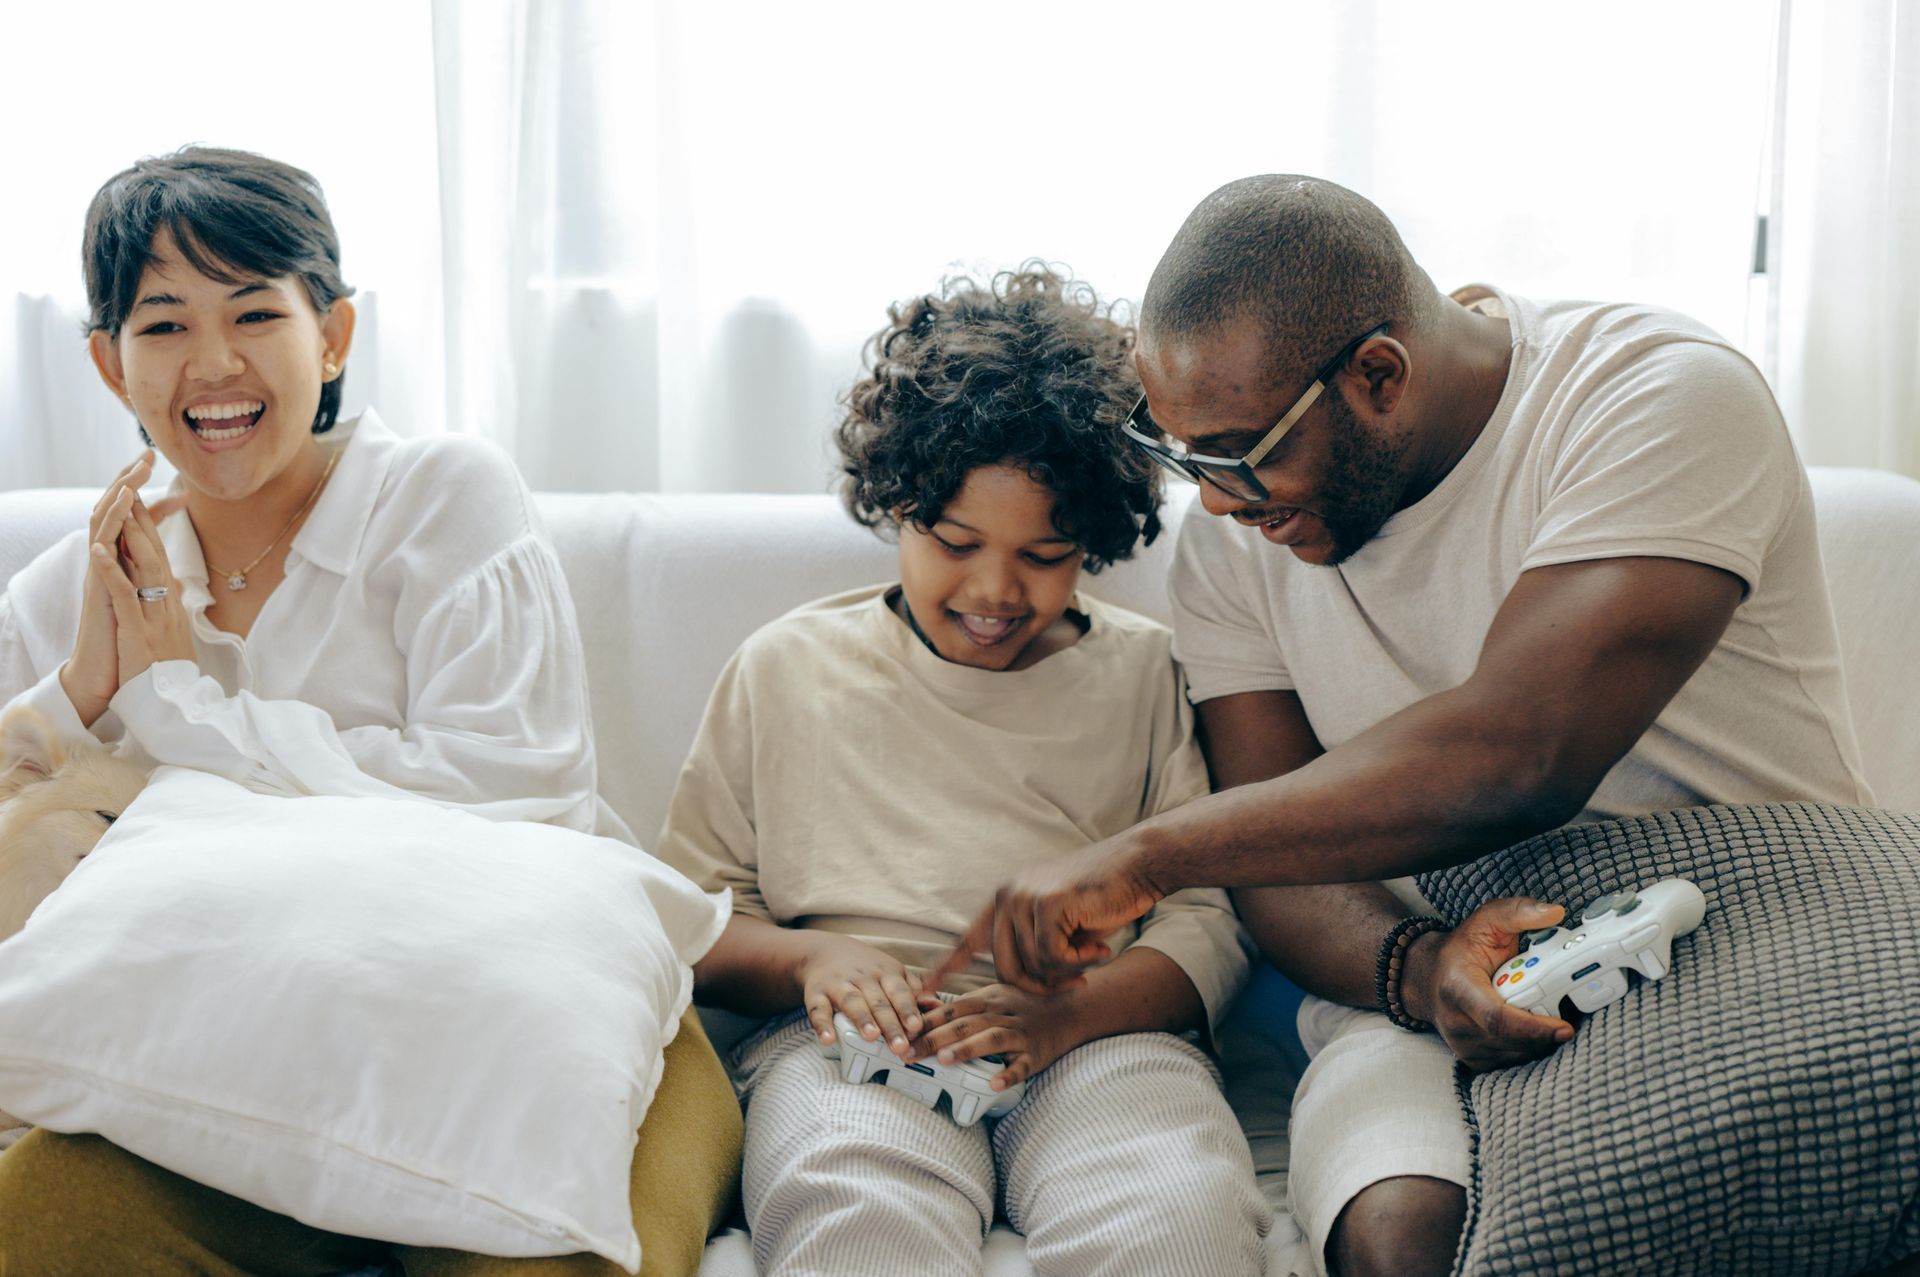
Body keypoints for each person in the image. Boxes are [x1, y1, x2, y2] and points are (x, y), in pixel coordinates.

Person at [932, 177, 1875, 1277]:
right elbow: (1280, 863)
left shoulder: (1653, 395)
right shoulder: (1233, 547)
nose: (1222, 503)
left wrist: (1147, 853)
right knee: (1400, 1237)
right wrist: (1423, 972)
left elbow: (1517, 750)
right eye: (1187, 456)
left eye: (1241, 455)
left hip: (1747, 917)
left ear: (1379, 374)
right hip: (1421, 977)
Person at [0, 147, 740, 1277]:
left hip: (537, 1038)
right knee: (37, 1220)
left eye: (255, 311)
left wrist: (173, 708)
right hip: (220, 1078)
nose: (214, 363)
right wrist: (84, 694)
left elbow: (517, 790)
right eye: (163, 326)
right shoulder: (79, 582)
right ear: (108, 364)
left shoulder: (444, 496)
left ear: (333, 333)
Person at [655, 267, 1272, 1277]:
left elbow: (1207, 916)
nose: (994, 588)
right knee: (852, 1213)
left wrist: (1070, 1012)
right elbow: (690, 913)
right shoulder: (786, 668)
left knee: (1181, 1212)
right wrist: (815, 963)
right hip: (852, 1042)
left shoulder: (1146, 673)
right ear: (897, 503)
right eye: (954, 542)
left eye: (1045, 552)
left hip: (1096, 1035)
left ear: (1096, 541)